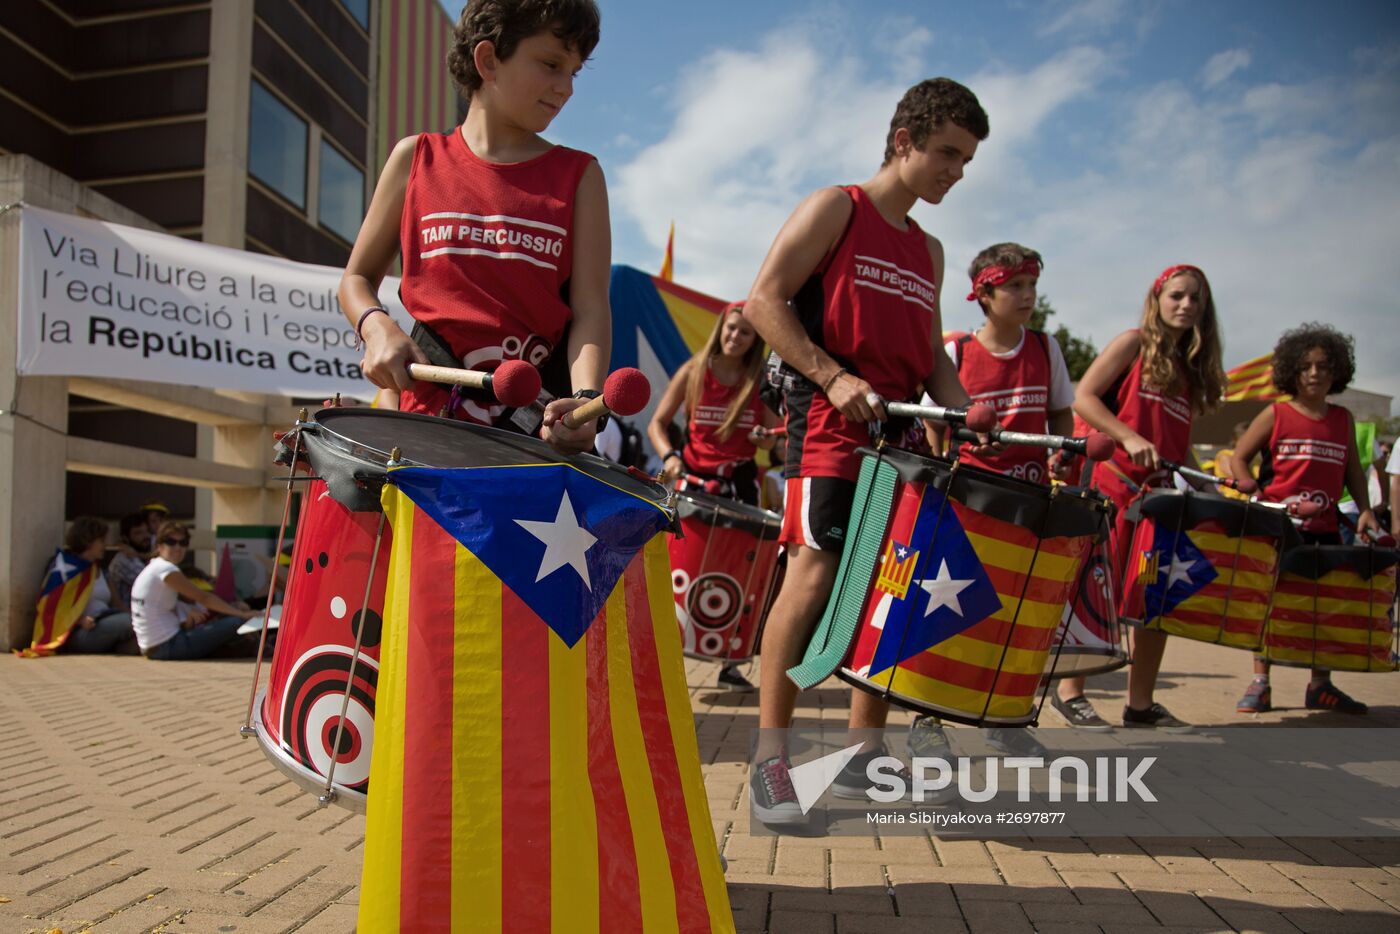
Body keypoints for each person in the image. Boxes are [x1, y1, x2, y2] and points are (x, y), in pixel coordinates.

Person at [740, 77, 989, 824]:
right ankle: (770, 763)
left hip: (902, 439)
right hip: (826, 427)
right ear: (904, 139)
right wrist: (832, 374)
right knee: (812, 579)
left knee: (892, 586)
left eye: (967, 160)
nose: (955, 171)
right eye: (946, 152)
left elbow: (931, 358)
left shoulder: (931, 248)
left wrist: (963, 404)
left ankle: (859, 757)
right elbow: (762, 301)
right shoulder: (836, 208)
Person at [339, 0, 607, 455]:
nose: (566, 88)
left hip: (530, 439)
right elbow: (356, 280)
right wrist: (376, 327)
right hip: (422, 434)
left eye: (574, 73)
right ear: (488, 60)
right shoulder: (415, 158)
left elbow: (590, 309)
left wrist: (584, 401)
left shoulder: (580, 176)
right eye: (550, 64)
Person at [913, 243, 1076, 758]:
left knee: (1015, 615)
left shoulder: (1047, 349)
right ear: (984, 292)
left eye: (1032, 286)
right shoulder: (957, 350)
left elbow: (1062, 416)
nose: (1027, 296)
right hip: (968, 506)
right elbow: (931, 420)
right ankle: (927, 717)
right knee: (947, 609)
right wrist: (943, 467)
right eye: (1016, 286)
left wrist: (1061, 459)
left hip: (1028, 505)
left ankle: (1002, 720)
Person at [1072, 264, 1226, 731]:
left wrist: (1208, 481)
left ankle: (1140, 704)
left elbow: (1175, 447)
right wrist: (1127, 435)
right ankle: (1070, 691)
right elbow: (1084, 397)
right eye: (1177, 295)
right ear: (1157, 299)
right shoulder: (1133, 343)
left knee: (1156, 604)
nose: (1186, 305)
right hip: (1112, 488)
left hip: (1159, 503)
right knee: (1094, 596)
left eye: (1196, 298)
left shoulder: (1189, 369)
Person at [1230, 324, 1378, 714]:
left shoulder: (1343, 420)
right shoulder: (1276, 414)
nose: (1315, 373)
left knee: (1322, 606)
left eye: (1324, 366)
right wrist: (1249, 486)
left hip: (1327, 529)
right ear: (1292, 371)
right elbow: (1238, 456)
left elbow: (1353, 472)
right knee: (1269, 605)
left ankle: (1321, 686)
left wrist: (1363, 509)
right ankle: (1261, 681)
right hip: (1278, 529)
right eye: (1307, 366)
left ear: (1337, 372)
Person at [648, 302, 782, 692]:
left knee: (738, 573)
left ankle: (730, 663)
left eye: (744, 333)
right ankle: (663, 655)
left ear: (755, 340)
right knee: (679, 568)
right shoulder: (693, 371)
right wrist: (670, 456)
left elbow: (776, 444)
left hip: (740, 489)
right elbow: (658, 422)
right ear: (720, 328)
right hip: (692, 485)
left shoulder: (759, 382)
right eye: (730, 329)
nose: (734, 337)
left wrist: (766, 440)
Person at [131, 521, 259, 660]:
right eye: (171, 542)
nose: (178, 547)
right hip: (168, 646)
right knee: (237, 622)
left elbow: (195, 602)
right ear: (159, 545)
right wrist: (241, 614)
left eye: (183, 542)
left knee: (227, 617)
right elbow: (204, 598)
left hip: (153, 647)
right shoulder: (166, 570)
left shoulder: (154, 567)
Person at [49, 516, 137, 653]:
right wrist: (80, 620)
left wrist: (142, 617)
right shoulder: (65, 569)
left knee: (143, 631)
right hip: (80, 631)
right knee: (129, 622)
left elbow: (117, 604)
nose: (105, 546)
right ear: (87, 541)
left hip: (105, 622)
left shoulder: (100, 571)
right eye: (101, 541)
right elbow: (53, 607)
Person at [106, 513, 150, 611]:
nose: (145, 536)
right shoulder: (123, 560)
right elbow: (154, 583)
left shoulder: (142, 556)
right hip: (126, 616)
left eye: (147, 531)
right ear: (125, 538)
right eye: (138, 533)